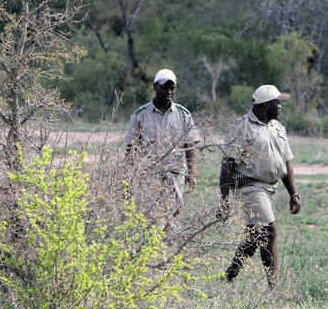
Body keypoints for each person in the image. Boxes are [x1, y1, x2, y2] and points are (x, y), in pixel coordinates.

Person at [218, 85, 302, 289]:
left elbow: (286, 162)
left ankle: (228, 277)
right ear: (266, 105)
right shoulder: (242, 127)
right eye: (277, 102)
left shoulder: (278, 126)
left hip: (271, 189)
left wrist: (294, 194)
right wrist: (223, 200)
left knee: (254, 237)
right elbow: (227, 165)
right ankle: (273, 285)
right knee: (269, 230)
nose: (280, 106)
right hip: (250, 188)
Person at [123, 69, 201, 219]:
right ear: (155, 87)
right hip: (149, 174)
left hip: (175, 173)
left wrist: (191, 174)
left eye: (172, 88)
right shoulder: (140, 114)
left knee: (173, 216)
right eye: (164, 87)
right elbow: (130, 150)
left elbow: (190, 147)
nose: (169, 91)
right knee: (151, 216)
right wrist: (128, 179)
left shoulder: (183, 114)